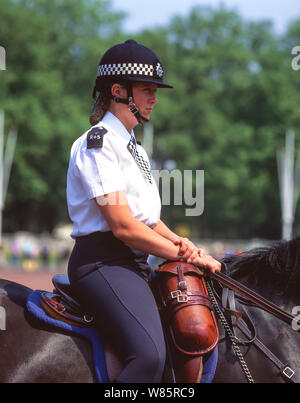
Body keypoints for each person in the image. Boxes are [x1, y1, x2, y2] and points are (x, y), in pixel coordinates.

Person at [66, 39, 221, 383]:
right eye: (147, 90)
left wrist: (183, 243)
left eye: (156, 90)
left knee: (189, 335)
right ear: (119, 91)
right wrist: (185, 257)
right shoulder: (100, 143)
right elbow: (123, 225)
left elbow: (147, 219)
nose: (155, 98)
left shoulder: (134, 148)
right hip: (103, 263)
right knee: (149, 357)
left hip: (133, 263)